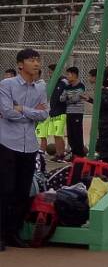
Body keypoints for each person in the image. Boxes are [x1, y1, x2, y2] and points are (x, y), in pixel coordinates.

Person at [0, 49, 48, 249]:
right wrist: (31, 112)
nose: (36, 63)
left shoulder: (40, 87)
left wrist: (22, 108)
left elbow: (44, 114)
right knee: (5, 189)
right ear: (20, 64)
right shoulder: (7, 85)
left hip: (30, 145)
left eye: (38, 60)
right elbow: (7, 112)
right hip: (7, 143)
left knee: (22, 191)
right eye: (31, 60)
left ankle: (13, 233)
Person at [41, 63, 68, 161]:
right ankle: (59, 152)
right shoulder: (54, 82)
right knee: (56, 134)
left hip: (60, 111)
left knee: (58, 134)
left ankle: (60, 154)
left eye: (51, 72)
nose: (49, 74)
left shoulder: (63, 82)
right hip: (53, 111)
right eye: (49, 72)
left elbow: (66, 95)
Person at [60, 66, 87, 158]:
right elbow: (61, 98)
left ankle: (79, 154)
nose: (67, 76)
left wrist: (68, 99)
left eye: (68, 74)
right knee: (70, 134)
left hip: (77, 113)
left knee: (77, 133)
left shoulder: (81, 86)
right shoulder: (67, 87)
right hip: (69, 112)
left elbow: (76, 98)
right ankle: (73, 153)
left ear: (74, 75)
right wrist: (70, 99)